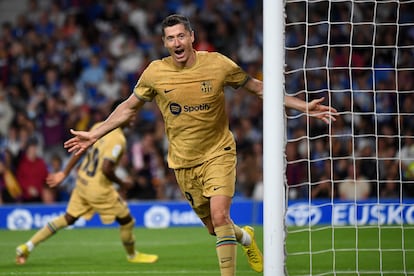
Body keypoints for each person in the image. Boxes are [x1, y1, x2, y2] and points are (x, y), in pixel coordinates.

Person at [64, 14, 337, 275]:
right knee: (215, 228)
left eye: (181, 36)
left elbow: (258, 87)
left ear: (192, 37)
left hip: (218, 151)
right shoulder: (155, 73)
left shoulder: (217, 64)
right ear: (164, 43)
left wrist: (303, 106)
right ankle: (246, 238)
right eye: (170, 38)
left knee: (220, 217)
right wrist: (96, 133)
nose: (177, 43)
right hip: (183, 162)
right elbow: (127, 108)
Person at [16, 101, 159, 265]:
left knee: (68, 218)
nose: (133, 118)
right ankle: (133, 255)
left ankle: (27, 246)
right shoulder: (118, 139)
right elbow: (106, 168)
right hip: (98, 188)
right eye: (131, 114)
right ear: (120, 114)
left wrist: (65, 172)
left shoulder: (99, 126)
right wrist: (122, 183)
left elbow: (80, 148)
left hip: (83, 180)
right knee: (127, 221)